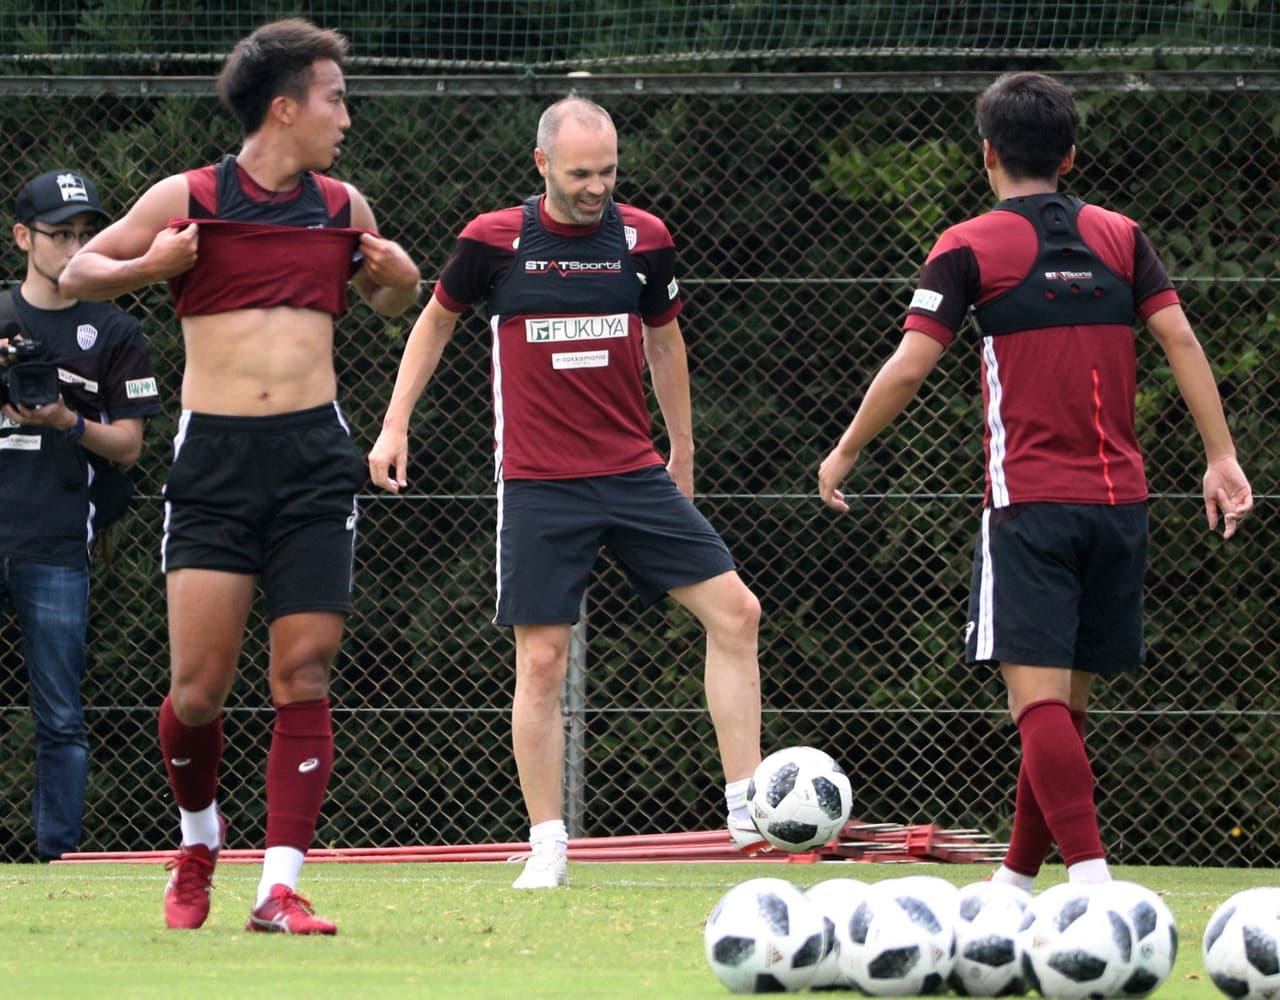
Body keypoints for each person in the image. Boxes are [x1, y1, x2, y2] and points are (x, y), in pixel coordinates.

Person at [818, 71, 1253, 888]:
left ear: (987, 154)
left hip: (1029, 507)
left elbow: (911, 367)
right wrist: (1221, 456)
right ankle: (1016, 882)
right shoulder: (1122, 236)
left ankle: (1091, 883)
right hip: (1122, 506)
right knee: (1065, 711)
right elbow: (1184, 341)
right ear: (1071, 155)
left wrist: (844, 450)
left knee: (1038, 709)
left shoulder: (967, 245)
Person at [59, 19, 420, 932]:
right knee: (196, 691)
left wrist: (401, 278)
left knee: (303, 671)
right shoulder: (190, 194)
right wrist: (152, 263)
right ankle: (199, 839)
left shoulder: (345, 207)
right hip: (215, 459)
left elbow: (389, 299)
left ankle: (279, 887)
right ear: (285, 106)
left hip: (311, 460)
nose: (346, 116)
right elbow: (80, 270)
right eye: (335, 99)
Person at [368, 95, 764, 890]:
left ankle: (750, 810)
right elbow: (436, 321)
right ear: (542, 165)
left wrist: (680, 448)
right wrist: (393, 424)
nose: (597, 187)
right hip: (541, 482)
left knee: (739, 613)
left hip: (632, 473)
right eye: (582, 173)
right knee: (543, 661)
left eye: (609, 171)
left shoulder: (642, 238)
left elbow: (665, 338)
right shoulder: (494, 240)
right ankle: (549, 843)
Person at [0, 168, 159, 862]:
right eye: (57, 235)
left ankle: (54, 858)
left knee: (60, 715)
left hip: (59, 539)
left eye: (83, 235)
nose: (71, 249)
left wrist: (67, 417)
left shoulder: (115, 328)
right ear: (22, 237)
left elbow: (128, 448)